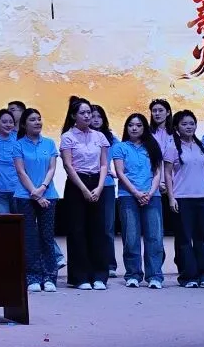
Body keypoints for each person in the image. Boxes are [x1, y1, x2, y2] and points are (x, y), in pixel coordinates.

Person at [59, 97, 111, 290]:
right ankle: (80, 277)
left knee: (98, 230)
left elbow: (104, 164)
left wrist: (99, 187)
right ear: (74, 116)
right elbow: (68, 165)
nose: (88, 116)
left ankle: (99, 276)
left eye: (89, 112)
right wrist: (83, 189)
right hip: (76, 184)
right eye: (83, 113)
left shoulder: (99, 136)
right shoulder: (68, 137)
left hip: (97, 182)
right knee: (77, 230)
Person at [111, 113, 164, 289]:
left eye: (139, 125)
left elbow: (157, 173)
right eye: (131, 125)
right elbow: (120, 173)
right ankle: (133, 275)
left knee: (154, 237)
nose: (134, 128)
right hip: (128, 196)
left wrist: (149, 193)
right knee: (131, 237)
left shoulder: (153, 146)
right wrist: (136, 193)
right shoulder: (120, 147)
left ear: (144, 128)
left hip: (152, 196)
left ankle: (155, 275)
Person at [168, 110, 204, 288]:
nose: (189, 127)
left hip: (202, 197)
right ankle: (188, 277)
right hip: (182, 197)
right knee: (184, 239)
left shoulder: (201, 146)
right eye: (184, 124)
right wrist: (171, 197)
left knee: (202, 238)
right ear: (176, 127)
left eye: (192, 123)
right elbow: (167, 174)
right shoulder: (172, 147)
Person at [12, 108, 59, 292]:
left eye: (39, 119)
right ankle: (32, 277)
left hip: (48, 194)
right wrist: (34, 193)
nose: (37, 122)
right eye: (32, 119)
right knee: (30, 237)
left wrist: (42, 189)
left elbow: (52, 168)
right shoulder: (19, 145)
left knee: (47, 237)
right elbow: (21, 171)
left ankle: (49, 277)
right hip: (25, 196)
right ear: (24, 124)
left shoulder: (49, 143)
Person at [89, 104, 119, 277]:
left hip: (106, 185)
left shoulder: (111, 138)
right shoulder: (83, 136)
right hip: (88, 184)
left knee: (108, 227)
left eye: (99, 116)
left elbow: (121, 157)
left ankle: (109, 264)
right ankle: (92, 263)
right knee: (91, 225)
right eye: (92, 116)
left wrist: (116, 171)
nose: (95, 119)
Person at [0, 108, 20, 214]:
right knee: (4, 221)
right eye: (4, 122)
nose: (8, 125)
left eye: (11, 122)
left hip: (18, 191)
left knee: (21, 221)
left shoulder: (19, 141)